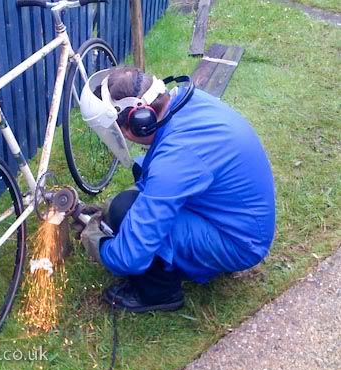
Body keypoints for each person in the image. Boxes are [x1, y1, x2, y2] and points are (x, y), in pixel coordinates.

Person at [77, 66, 276, 313]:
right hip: (236, 217)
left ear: (139, 123)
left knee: (125, 212)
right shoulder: (188, 103)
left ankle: (159, 294)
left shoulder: (175, 160)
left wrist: (98, 242)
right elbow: (160, 179)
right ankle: (183, 258)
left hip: (240, 242)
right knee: (136, 182)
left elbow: (130, 256)